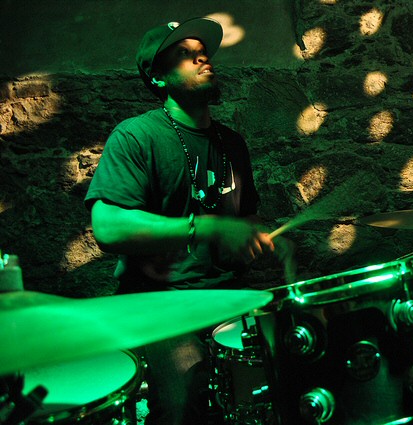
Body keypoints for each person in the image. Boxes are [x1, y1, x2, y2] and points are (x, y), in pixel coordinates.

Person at [84, 17, 294, 425]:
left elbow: (243, 216)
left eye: (202, 52)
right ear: (158, 77)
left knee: (283, 377)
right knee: (186, 395)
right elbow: (108, 226)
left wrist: (263, 236)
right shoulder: (136, 136)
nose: (201, 58)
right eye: (184, 54)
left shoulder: (232, 143)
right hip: (160, 302)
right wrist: (204, 228)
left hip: (226, 295)